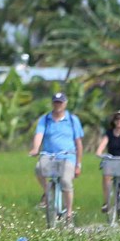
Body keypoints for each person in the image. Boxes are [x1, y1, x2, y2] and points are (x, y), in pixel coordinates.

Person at [28, 92, 83, 221]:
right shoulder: (45, 119)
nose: (58, 105)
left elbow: (78, 143)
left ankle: (69, 212)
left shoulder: (72, 119)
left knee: (65, 181)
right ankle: (47, 192)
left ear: (65, 104)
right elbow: (39, 135)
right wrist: (36, 148)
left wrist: (78, 164)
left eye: (60, 102)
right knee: (38, 169)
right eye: (56, 102)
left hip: (67, 156)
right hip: (49, 154)